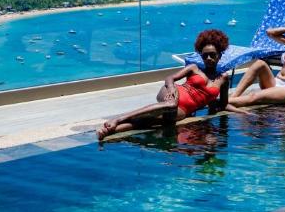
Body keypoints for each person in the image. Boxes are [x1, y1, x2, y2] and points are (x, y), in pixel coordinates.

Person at [97, 29, 233, 140]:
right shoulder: (194, 68)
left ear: (219, 55)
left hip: (184, 111)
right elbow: (170, 78)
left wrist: (244, 112)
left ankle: (107, 132)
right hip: (173, 94)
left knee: (153, 122)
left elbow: (223, 104)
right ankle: (118, 119)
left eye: (212, 55)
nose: (208, 58)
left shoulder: (223, 78)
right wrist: (172, 89)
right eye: (204, 56)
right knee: (171, 104)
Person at [228, 11, 285, 107]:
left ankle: (220, 102)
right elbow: (270, 32)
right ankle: (233, 97)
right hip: (275, 82)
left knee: (254, 96)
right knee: (260, 63)